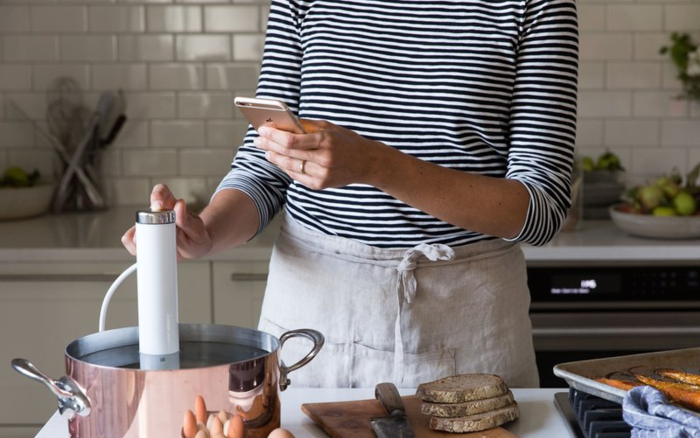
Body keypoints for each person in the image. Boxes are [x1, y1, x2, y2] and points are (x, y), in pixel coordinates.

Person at [123, 0, 579, 389]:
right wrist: (207, 232)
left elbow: (541, 209)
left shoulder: (535, 6)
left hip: (466, 320)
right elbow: (266, 163)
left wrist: (375, 164)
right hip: (311, 316)